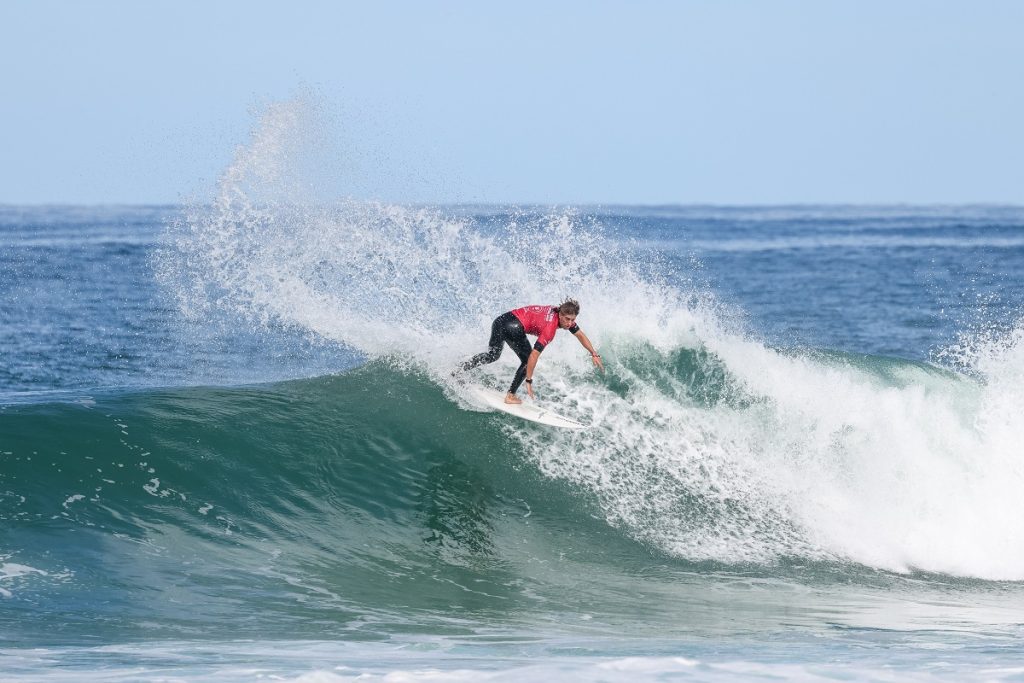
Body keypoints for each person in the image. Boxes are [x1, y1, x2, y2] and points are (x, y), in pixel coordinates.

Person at [460, 299, 604, 404]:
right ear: (560, 314)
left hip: (500, 321)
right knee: (526, 359)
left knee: (492, 355)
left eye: (572, 320)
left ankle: (460, 369)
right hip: (513, 327)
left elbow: (579, 334)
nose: (570, 323)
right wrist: (528, 380)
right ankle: (510, 396)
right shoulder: (549, 330)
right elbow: (534, 355)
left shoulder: (560, 312)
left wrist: (594, 353)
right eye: (567, 319)